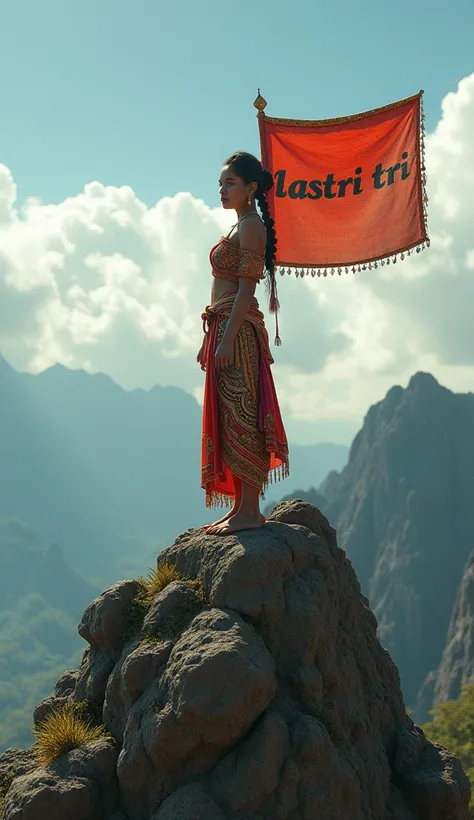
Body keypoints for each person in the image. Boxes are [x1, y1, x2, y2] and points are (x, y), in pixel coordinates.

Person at [198, 151, 289, 534]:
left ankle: (250, 511)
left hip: (237, 332)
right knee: (228, 414)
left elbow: (247, 289)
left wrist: (227, 338)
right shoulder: (240, 226)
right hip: (224, 327)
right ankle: (239, 507)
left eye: (230, 183)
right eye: (221, 184)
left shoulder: (251, 227)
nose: (222, 189)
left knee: (243, 415)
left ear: (250, 189)